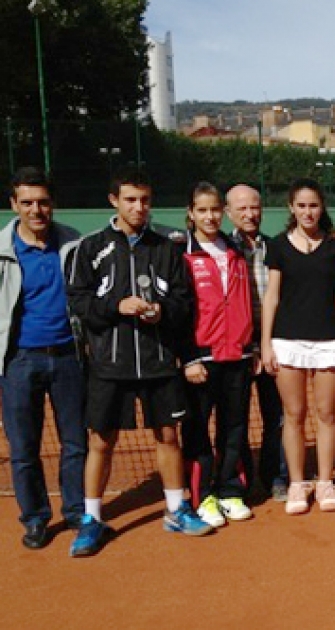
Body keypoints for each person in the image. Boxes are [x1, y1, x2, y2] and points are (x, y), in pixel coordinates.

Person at [66, 167, 212, 557]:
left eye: (145, 200)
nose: (139, 207)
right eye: (130, 199)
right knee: (101, 441)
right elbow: (79, 302)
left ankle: (177, 509)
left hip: (158, 362)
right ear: (114, 201)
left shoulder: (168, 247)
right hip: (109, 366)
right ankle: (92, 519)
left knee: (168, 436)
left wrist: (160, 312)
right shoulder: (90, 247)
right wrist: (117, 306)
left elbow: (184, 303)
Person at [0, 167, 87, 550]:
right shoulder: (2, 251)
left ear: (53, 204)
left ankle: (75, 510)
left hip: (68, 357)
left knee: (76, 443)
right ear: (14, 205)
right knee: (23, 449)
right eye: (28, 202)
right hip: (19, 361)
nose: (37, 209)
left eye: (43, 202)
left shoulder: (72, 243)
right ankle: (35, 518)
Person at [260, 178, 335, 515]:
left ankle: (325, 481)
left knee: (327, 414)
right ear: (291, 207)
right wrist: (266, 344)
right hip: (287, 341)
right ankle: (298, 484)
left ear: (322, 208)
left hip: (330, 340)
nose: (308, 211)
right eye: (301, 205)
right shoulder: (277, 246)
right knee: (294, 415)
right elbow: (271, 297)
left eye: (313, 205)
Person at [179, 182, 255, 526]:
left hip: (237, 357)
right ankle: (203, 496)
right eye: (202, 210)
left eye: (214, 210)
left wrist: (249, 347)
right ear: (191, 214)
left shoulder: (237, 251)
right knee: (197, 431)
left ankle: (229, 491)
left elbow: (245, 303)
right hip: (202, 360)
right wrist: (190, 357)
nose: (210, 217)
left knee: (234, 428)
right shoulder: (181, 254)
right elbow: (180, 312)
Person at [226, 183, 288, 502]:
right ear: (228, 213)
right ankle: (242, 480)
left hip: (274, 343)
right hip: (235, 347)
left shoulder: (278, 246)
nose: (250, 214)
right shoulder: (222, 249)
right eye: (242, 209)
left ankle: (275, 476)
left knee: (277, 416)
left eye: (255, 207)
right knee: (236, 418)